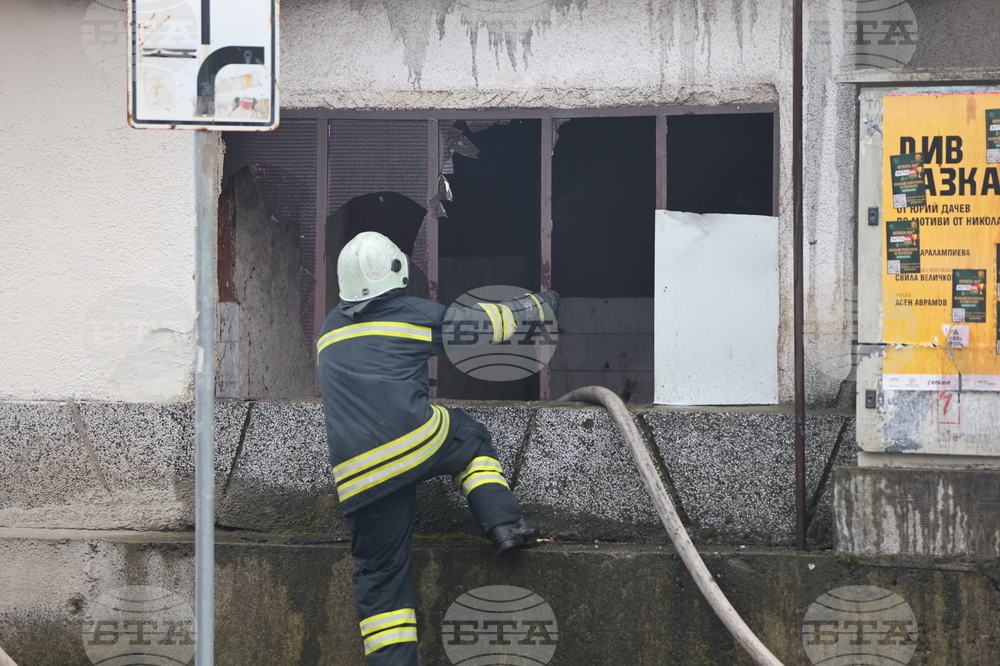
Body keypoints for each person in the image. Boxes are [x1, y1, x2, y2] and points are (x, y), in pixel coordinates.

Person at [316, 231, 559, 665]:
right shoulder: (407, 314)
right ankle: (504, 524)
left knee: (380, 579)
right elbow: (478, 328)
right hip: (412, 439)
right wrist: (537, 308)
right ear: (395, 271)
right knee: (471, 437)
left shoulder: (329, 329)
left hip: (357, 475)